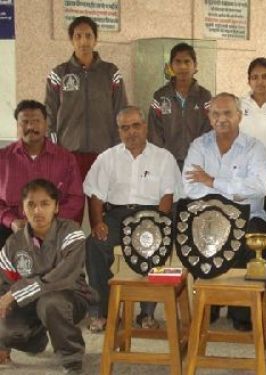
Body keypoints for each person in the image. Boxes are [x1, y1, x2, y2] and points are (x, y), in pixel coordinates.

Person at [84, 106, 181, 332]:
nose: (131, 132)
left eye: (136, 126)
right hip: (117, 215)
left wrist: (158, 225)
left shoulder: (163, 157)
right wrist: (98, 222)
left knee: (155, 242)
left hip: (152, 214)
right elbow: (96, 195)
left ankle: (146, 313)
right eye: (124, 128)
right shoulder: (107, 158)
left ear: (145, 126)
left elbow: (167, 196)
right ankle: (102, 312)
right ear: (118, 131)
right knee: (95, 244)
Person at [183, 92, 266, 331]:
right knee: (197, 232)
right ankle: (208, 305)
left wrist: (212, 181)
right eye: (216, 114)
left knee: (248, 237)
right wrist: (231, 191)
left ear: (239, 116)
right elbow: (190, 187)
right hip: (207, 216)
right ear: (209, 118)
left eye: (227, 113)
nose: (221, 119)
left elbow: (258, 188)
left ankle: (241, 311)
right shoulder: (199, 145)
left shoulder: (254, 148)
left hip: (248, 216)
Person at [0, 179, 93, 374]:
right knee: (5, 330)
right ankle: (36, 339)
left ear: (56, 207)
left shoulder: (72, 233)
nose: (37, 211)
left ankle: (71, 360)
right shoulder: (12, 244)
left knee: (50, 303)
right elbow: (4, 286)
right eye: (31, 204)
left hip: (69, 296)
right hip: (29, 303)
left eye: (45, 204)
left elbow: (61, 278)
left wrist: (14, 294)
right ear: (22, 209)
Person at [45, 16, 128, 180]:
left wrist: (119, 148)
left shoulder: (111, 73)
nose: (84, 41)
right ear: (71, 40)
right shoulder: (59, 74)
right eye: (78, 36)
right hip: (68, 153)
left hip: (103, 152)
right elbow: (49, 114)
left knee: (101, 203)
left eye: (89, 36)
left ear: (95, 39)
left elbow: (121, 111)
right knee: (71, 203)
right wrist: (54, 149)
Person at [0, 100, 84, 249]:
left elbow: (76, 198)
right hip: (12, 227)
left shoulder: (66, 159)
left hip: (54, 225)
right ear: (18, 126)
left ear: (46, 124)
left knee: (74, 240)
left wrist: (49, 222)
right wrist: (11, 221)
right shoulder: (3, 158)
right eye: (25, 122)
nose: (31, 127)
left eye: (36, 121)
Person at [148, 42, 212, 170]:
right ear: (171, 66)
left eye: (187, 62)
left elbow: (209, 131)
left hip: (198, 163)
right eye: (178, 62)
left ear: (195, 66)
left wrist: (202, 157)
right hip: (167, 163)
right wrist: (160, 159)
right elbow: (154, 133)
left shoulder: (205, 97)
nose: (183, 66)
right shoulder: (160, 96)